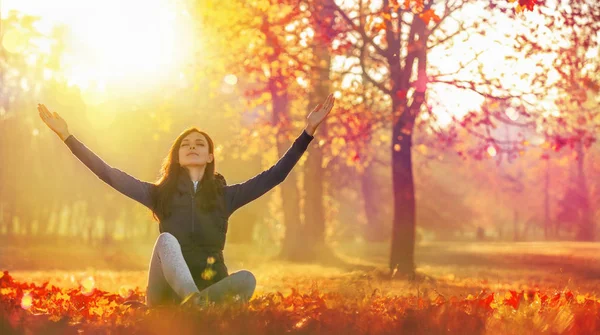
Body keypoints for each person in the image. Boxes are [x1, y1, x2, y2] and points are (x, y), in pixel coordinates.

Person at [37, 94, 336, 308]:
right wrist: (67, 137)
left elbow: (275, 175)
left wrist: (307, 132)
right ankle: (195, 305)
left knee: (247, 279)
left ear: (209, 157)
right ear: (178, 157)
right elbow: (108, 174)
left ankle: (196, 306)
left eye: (200, 144)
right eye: (186, 145)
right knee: (166, 240)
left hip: (211, 287)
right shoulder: (158, 194)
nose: (192, 147)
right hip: (165, 295)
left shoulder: (226, 196)